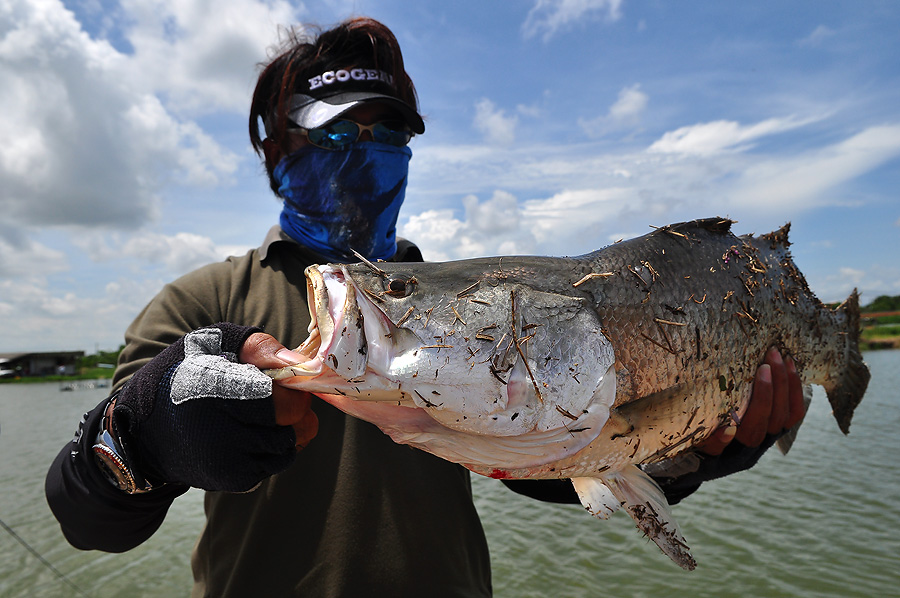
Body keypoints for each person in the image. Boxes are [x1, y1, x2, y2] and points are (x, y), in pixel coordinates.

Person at [45, 17, 805, 597]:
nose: (364, 149)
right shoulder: (202, 301)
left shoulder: (475, 297)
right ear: (278, 154)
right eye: (334, 132)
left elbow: (549, 455)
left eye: (388, 133)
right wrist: (139, 435)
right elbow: (87, 518)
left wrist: (689, 449)